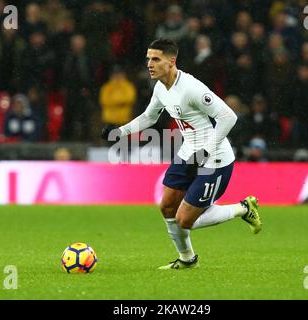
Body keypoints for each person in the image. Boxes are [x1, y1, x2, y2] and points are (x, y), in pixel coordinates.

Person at [101, 39, 262, 270]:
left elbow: (229, 117)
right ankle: (187, 259)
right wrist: (120, 131)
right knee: (167, 206)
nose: (149, 64)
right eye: (148, 58)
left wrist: (206, 149)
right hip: (188, 152)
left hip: (214, 158)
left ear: (171, 61)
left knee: (185, 220)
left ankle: (244, 208)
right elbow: (149, 117)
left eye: (155, 59)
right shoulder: (160, 87)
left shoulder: (191, 88)